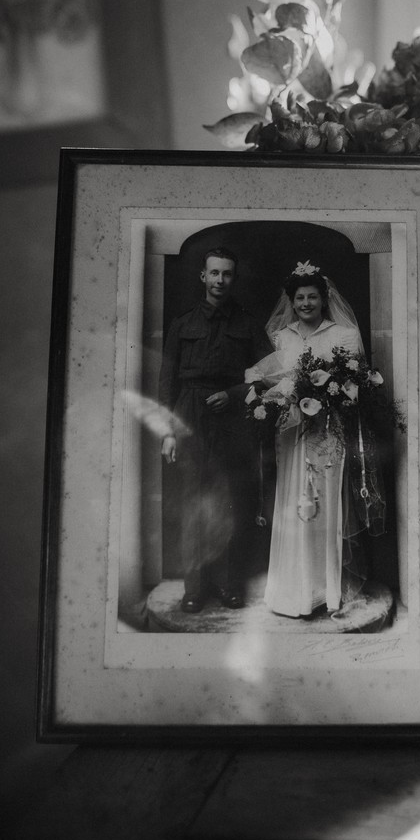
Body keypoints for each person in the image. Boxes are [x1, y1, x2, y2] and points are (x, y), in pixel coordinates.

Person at [250, 261, 386, 619]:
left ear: (324, 300)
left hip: (329, 431)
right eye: (300, 298)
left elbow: (356, 384)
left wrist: (331, 394)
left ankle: (327, 590)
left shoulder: (343, 334)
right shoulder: (282, 336)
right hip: (293, 432)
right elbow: (275, 380)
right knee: (293, 502)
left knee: (324, 505)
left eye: (312, 297)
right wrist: (284, 395)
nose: (306, 303)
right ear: (291, 302)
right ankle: (293, 589)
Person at [158, 246, 270, 613]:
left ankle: (226, 584)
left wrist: (235, 394)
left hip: (231, 417)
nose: (220, 280)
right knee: (193, 501)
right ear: (203, 277)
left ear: (233, 278)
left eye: (227, 274)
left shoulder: (247, 323)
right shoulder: (182, 323)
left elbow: (265, 376)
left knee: (227, 501)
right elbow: (166, 381)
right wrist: (168, 431)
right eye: (214, 273)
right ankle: (194, 587)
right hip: (189, 413)